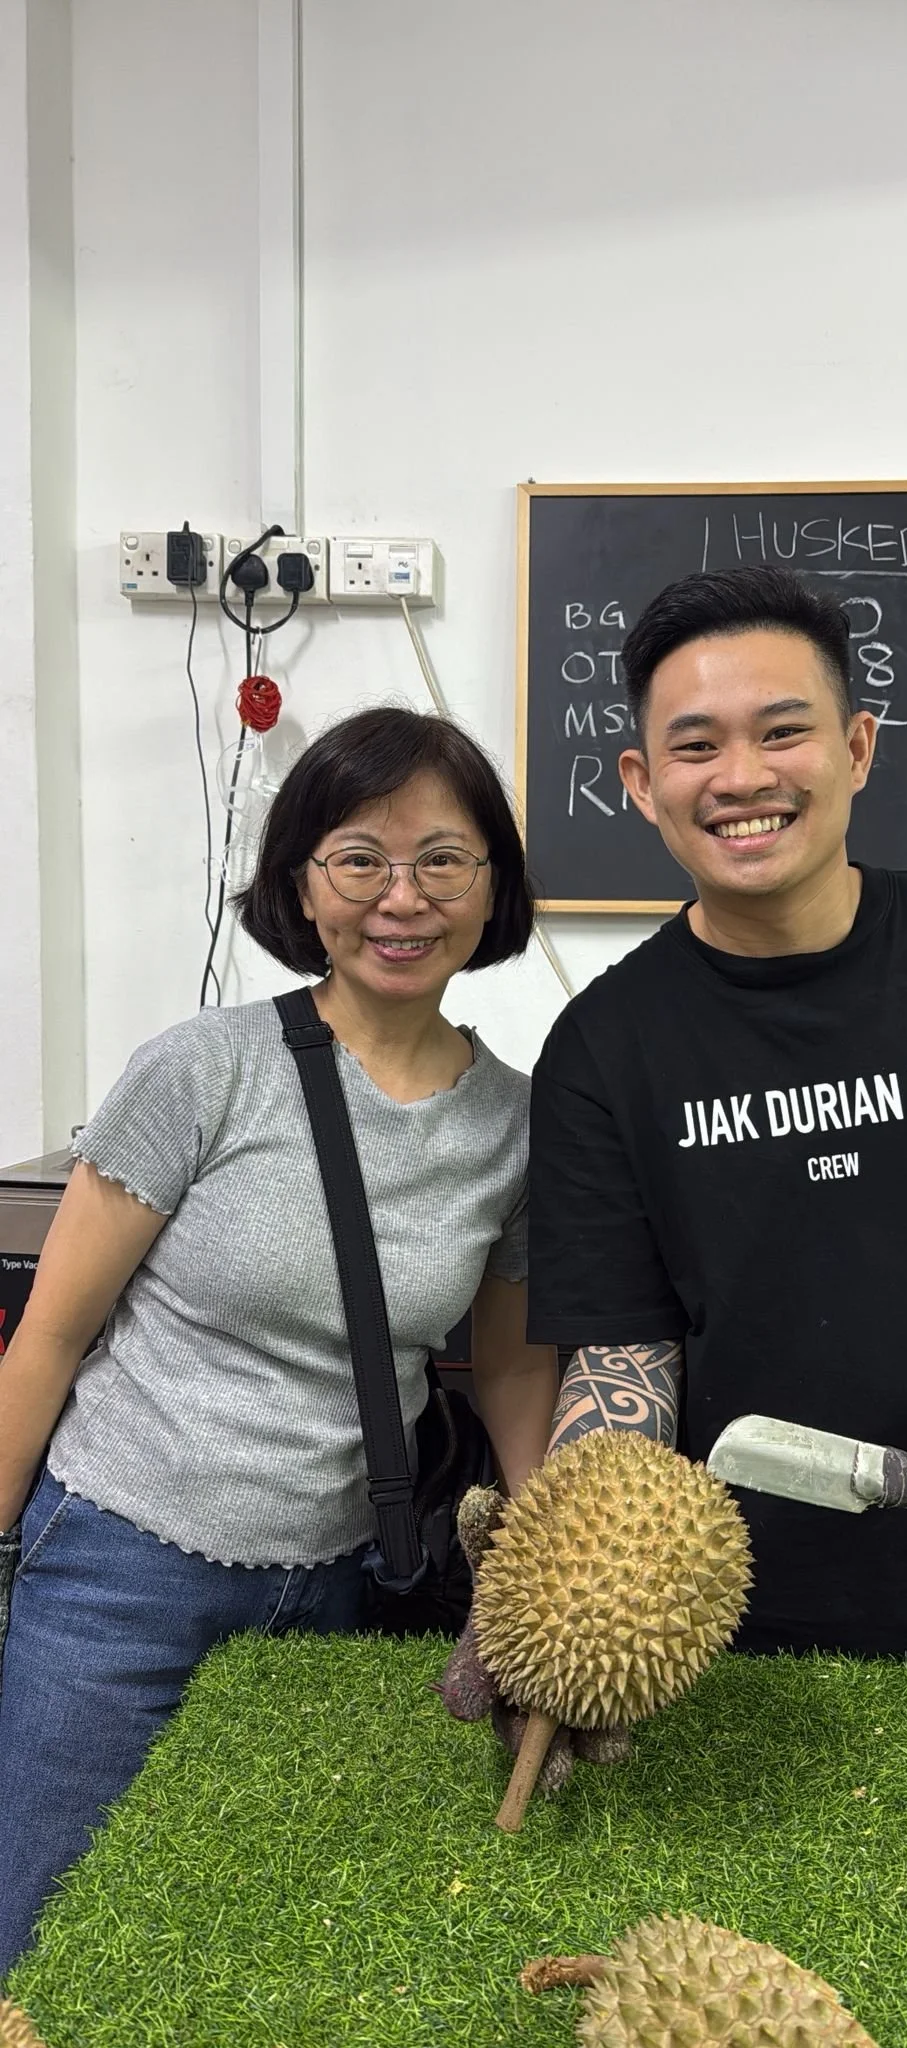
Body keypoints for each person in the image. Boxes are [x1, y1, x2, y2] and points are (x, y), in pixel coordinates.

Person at [0, 706, 557, 1979]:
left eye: (443, 859)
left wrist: (544, 1552)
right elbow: (49, 1334)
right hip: (119, 1569)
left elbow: (519, 1360)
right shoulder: (203, 1069)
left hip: (347, 1581)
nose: (400, 898)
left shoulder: (518, 1124)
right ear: (303, 883)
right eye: (359, 857)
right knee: (43, 1935)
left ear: (494, 888)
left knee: (248, 1941)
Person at [526, 565, 907, 1670]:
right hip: (732, 1637)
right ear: (640, 779)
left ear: (858, 747)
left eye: (782, 731)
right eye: (696, 744)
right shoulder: (601, 1047)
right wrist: (574, 1596)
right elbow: (620, 1351)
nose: (742, 776)